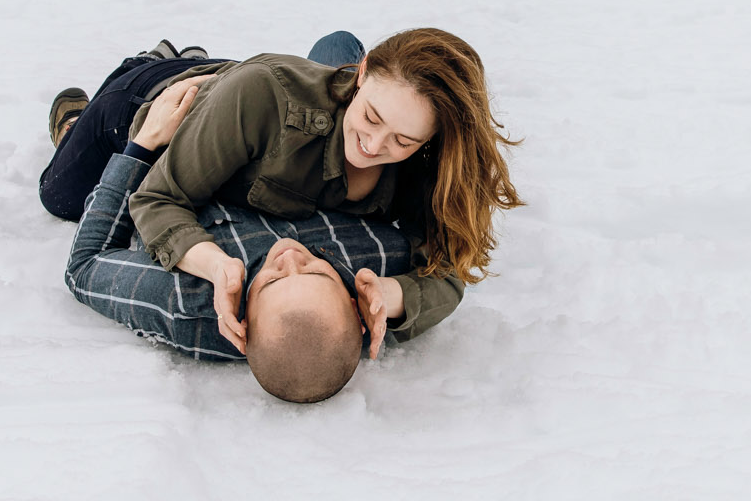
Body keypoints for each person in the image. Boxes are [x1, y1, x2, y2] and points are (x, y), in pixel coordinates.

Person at [40, 28, 520, 394]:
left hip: (257, 108)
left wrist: (390, 296)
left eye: (403, 140)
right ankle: (116, 92)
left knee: (329, 68)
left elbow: (447, 264)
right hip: (160, 105)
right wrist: (394, 295)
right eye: (373, 117)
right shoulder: (268, 94)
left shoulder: (425, 162)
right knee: (60, 196)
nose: (375, 145)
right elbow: (156, 198)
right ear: (364, 73)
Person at [63, 76, 422, 403]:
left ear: (244, 326)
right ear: (357, 312)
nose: (289, 257)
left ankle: (82, 120)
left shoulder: (188, 304)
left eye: (271, 281)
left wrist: (142, 145)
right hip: (263, 111)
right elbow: (445, 261)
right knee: (338, 52)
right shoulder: (374, 261)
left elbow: (84, 267)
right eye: (317, 271)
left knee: (60, 193)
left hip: (169, 109)